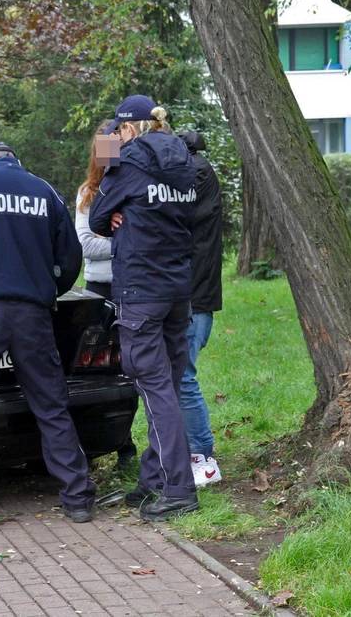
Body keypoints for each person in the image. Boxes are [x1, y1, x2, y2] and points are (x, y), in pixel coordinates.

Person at [0, 142, 96, 534]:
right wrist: (48, 289)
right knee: (51, 404)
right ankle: (78, 498)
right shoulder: (44, 191)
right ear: (17, 162)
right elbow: (71, 257)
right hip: (34, 314)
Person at [88, 95, 199, 521]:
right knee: (167, 387)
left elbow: (97, 216)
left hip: (141, 291)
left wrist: (120, 209)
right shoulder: (185, 160)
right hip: (177, 290)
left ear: (128, 128)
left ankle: (179, 490)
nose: (113, 138)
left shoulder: (129, 161)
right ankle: (153, 481)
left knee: (155, 391)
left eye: (117, 130)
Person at [75, 120, 137, 468]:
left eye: (117, 142)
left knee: (134, 366)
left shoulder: (135, 186)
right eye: (106, 144)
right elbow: (85, 243)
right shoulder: (88, 193)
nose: (111, 150)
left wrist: (120, 236)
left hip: (134, 285)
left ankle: (130, 443)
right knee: (105, 369)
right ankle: (118, 442)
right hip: (100, 289)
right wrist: (122, 239)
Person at [177, 130, 223, 487]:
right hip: (193, 296)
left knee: (183, 378)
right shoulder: (199, 169)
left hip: (193, 299)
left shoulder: (197, 173)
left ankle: (203, 459)